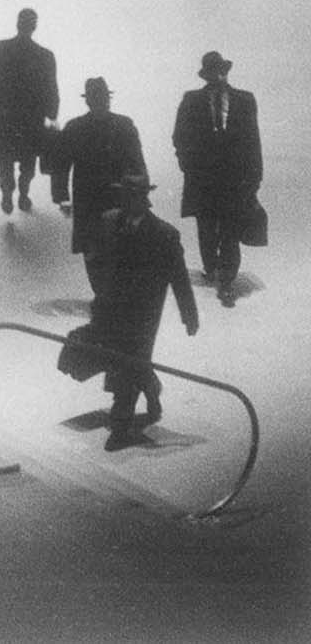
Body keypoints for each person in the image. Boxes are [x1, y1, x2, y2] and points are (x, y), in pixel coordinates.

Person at [81, 173, 199, 452]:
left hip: (144, 314)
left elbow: (179, 277)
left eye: (130, 196)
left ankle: (120, 428)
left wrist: (189, 314)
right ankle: (151, 387)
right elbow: (95, 259)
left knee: (128, 365)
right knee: (126, 362)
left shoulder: (164, 234)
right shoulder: (110, 221)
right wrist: (100, 295)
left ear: (142, 199)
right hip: (111, 307)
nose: (124, 201)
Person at [172, 51, 262, 307]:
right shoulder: (191, 100)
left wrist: (255, 178)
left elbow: (253, 141)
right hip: (203, 180)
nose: (218, 76)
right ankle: (212, 269)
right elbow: (179, 136)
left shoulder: (245, 100)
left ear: (226, 71)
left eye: (221, 70)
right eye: (213, 71)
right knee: (207, 229)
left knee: (231, 231)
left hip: (234, 181)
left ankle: (227, 281)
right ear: (207, 74)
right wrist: (188, 165)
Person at [50, 76, 147, 292]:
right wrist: (62, 197)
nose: (101, 102)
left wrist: (141, 186)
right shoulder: (77, 128)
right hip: (96, 199)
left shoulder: (118, 125)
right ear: (91, 101)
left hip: (111, 197)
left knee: (116, 248)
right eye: (98, 98)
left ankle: (110, 295)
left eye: (103, 98)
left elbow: (137, 161)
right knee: (93, 250)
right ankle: (103, 295)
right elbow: (61, 165)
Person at [0, 8, 59, 213]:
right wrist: (52, 114)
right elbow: (51, 88)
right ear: (34, 27)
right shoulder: (45, 56)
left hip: (4, 116)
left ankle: (6, 193)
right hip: (31, 120)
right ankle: (23, 193)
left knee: (5, 160)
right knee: (28, 162)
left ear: (17, 24)